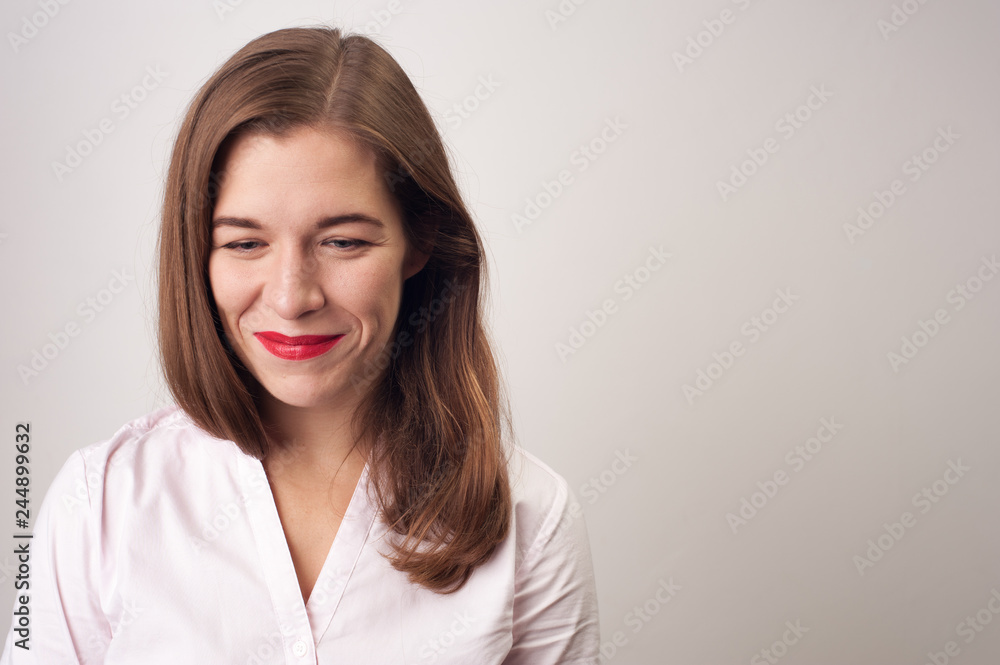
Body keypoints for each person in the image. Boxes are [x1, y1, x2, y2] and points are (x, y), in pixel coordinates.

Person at [0, 25, 599, 664]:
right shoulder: (100, 503)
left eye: (342, 242)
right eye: (244, 243)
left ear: (418, 244)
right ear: (197, 256)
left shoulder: (531, 520)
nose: (291, 298)